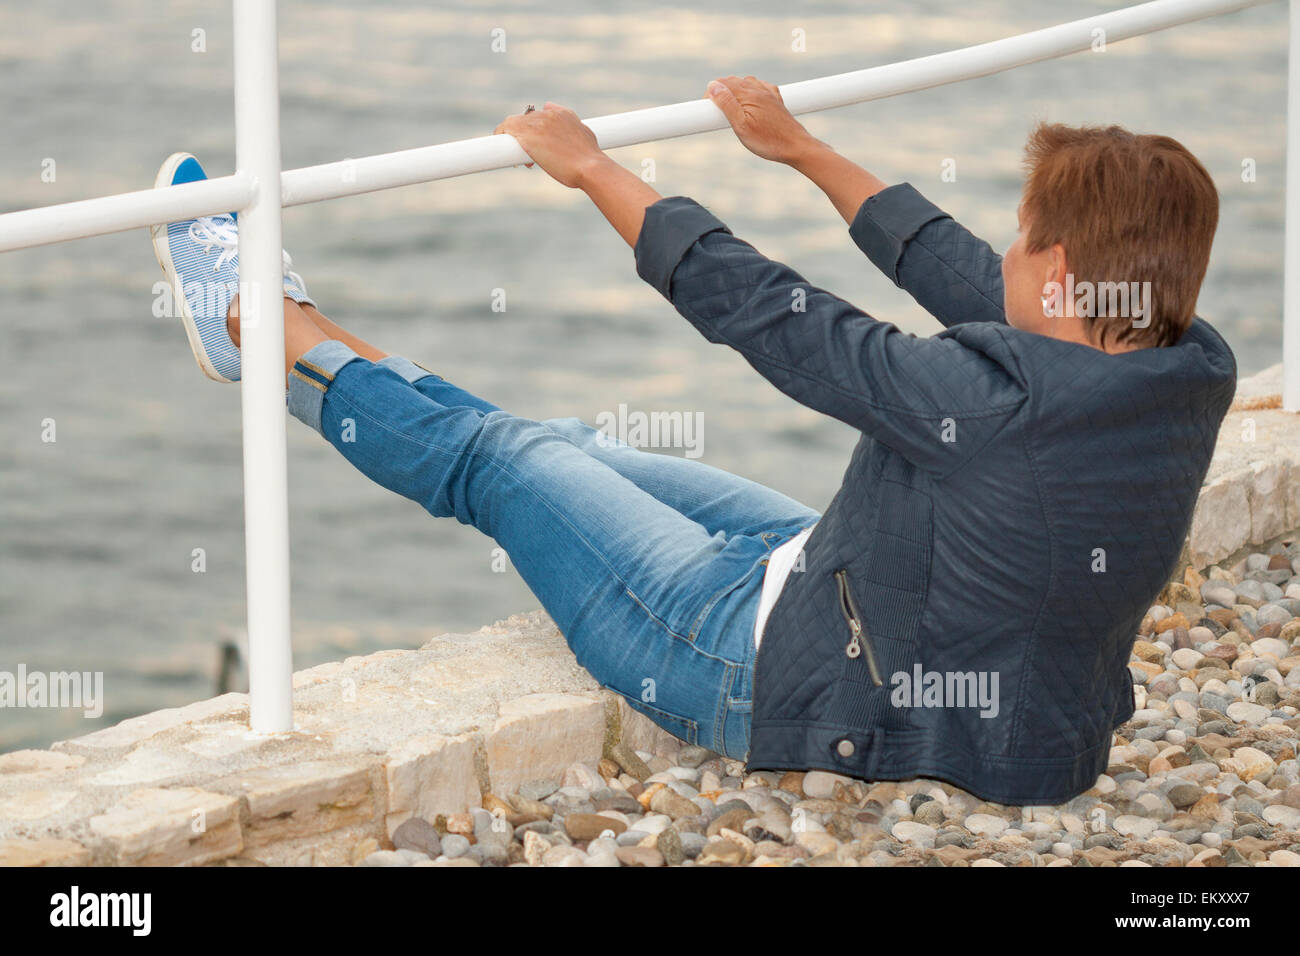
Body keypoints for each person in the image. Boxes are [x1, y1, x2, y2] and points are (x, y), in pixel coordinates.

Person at [151, 76, 1236, 806]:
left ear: (1054, 274)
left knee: (509, 463)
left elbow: (772, 312)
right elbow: (963, 274)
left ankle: (258, 327)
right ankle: (299, 327)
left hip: (770, 673)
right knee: (570, 443)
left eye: (1019, 235)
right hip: (871, 607)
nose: (999, 252)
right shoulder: (1185, 362)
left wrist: (590, 170)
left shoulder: (984, 397)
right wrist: (801, 149)